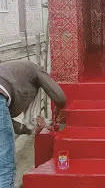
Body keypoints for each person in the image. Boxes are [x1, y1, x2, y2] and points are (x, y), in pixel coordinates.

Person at [0, 60, 67, 188]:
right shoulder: (36, 70)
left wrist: (31, 130)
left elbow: (9, 124)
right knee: (5, 165)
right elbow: (61, 97)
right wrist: (59, 108)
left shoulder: (13, 72)